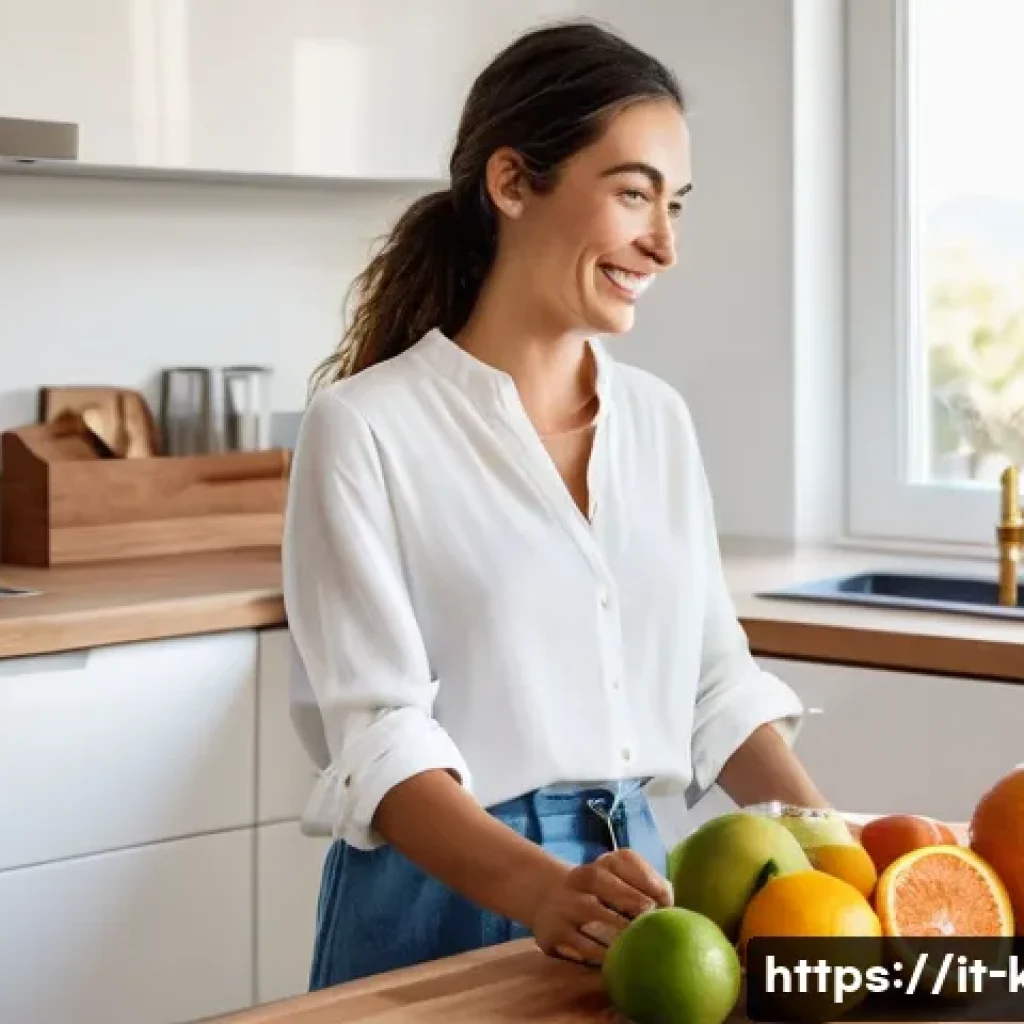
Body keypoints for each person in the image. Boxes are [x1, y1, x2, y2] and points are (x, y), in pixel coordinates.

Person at [282, 18, 831, 991]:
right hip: (444, 890)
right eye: (633, 194)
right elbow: (378, 737)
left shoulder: (658, 420)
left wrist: (835, 856)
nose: (663, 243)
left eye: (674, 204)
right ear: (511, 182)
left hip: (636, 886)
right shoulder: (364, 427)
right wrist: (542, 890)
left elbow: (715, 684)